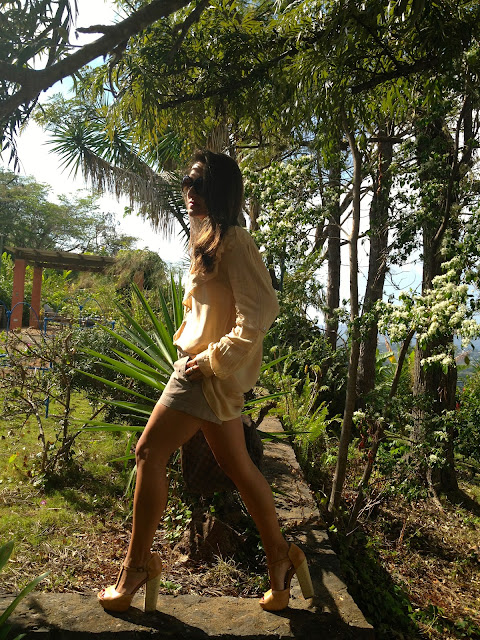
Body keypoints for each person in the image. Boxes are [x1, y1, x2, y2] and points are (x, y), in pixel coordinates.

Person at [97, 150, 314, 614]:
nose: (190, 193)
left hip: (202, 373)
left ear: (221, 191)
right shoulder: (211, 240)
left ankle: (136, 567)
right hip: (211, 376)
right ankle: (281, 557)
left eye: (200, 184)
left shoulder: (235, 240)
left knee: (148, 453)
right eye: (187, 183)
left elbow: (261, 312)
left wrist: (214, 360)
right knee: (239, 468)